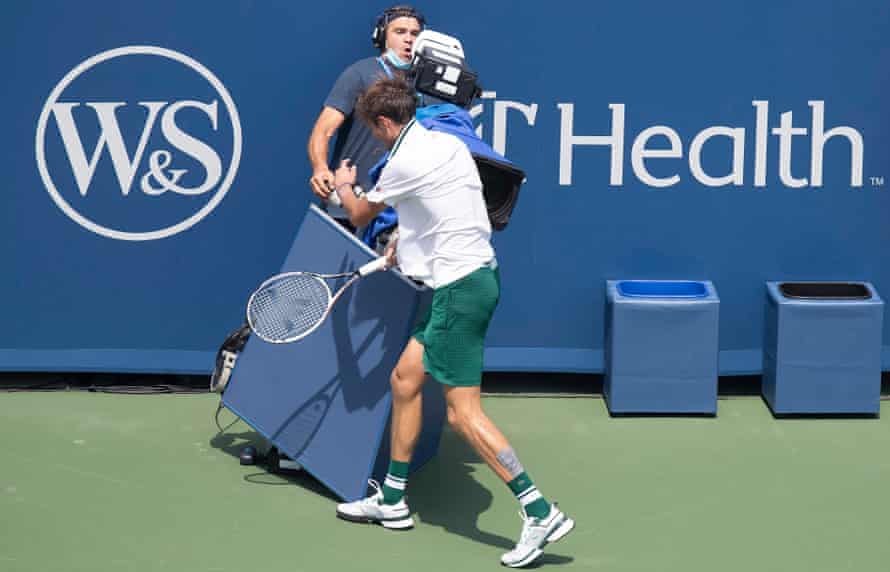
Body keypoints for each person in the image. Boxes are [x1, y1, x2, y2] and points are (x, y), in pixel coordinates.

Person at [329, 78, 575, 569]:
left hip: (461, 292)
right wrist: (408, 243)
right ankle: (393, 499)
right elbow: (440, 210)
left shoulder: (402, 161)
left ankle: (539, 509)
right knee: (404, 378)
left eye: (373, 130)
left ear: (383, 122)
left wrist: (342, 184)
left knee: (463, 414)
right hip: (471, 279)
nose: (375, 139)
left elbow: (358, 213)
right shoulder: (444, 142)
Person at [307, 5, 425, 228]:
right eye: (399, 32)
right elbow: (323, 129)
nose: (408, 39)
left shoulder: (428, 84)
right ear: (382, 37)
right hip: (349, 205)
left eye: (415, 34)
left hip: (402, 212)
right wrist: (320, 168)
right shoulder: (359, 73)